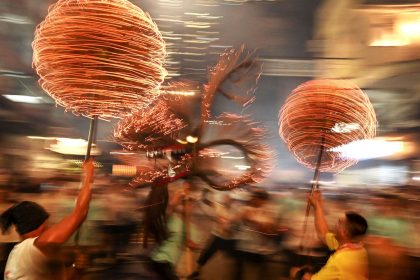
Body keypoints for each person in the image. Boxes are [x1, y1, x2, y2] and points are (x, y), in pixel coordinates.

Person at [1, 158, 94, 280]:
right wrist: (88, 174)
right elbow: (80, 214)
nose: (50, 227)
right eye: (46, 224)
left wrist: (77, 268)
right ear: (37, 226)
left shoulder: (26, 252)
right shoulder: (32, 247)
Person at [292, 190, 368, 280]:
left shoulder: (339, 259)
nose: (335, 223)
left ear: (344, 233)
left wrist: (298, 273)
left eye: (339, 222)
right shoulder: (358, 249)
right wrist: (317, 205)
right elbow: (323, 234)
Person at [187, 193, 236, 279]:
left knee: (236, 257)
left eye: (229, 199)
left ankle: (236, 274)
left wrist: (228, 228)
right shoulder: (219, 206)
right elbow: (208, 201)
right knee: (205, 254)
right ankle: (197, 271)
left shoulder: (235, 212)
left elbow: (235, 228)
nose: (227, 200)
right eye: (226, 199)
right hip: (217, 236)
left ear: (232, 201)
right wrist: (202, 196)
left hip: (228, 239)